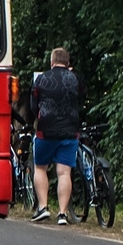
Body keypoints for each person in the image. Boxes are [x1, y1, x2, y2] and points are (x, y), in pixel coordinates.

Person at [30, 47, 85, 225]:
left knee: (40, 168)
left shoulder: (41, 78)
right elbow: (81, 99)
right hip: (70, 129)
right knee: (64, 172)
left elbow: (33, 105)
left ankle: (43, 207)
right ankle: (62, 213)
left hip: (46, 129)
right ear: (68, 62)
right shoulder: (75, 79)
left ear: (52, 61)